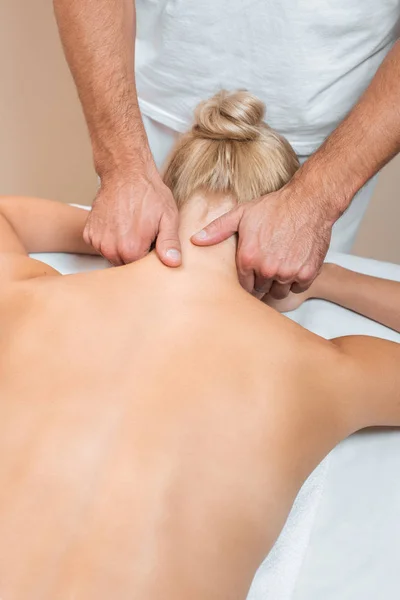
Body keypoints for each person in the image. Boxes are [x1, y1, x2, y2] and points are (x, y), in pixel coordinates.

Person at [0, 91, 399, 599]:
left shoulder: (26, 301)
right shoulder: (316, 370)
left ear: (167, 196)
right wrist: (323, 279)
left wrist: (125, 232)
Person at [53, 0, 400, 298]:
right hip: (143, 110)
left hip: (338, 137)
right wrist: (123, 165)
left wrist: (317, 200)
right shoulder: (323, 358)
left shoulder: (56, 308)